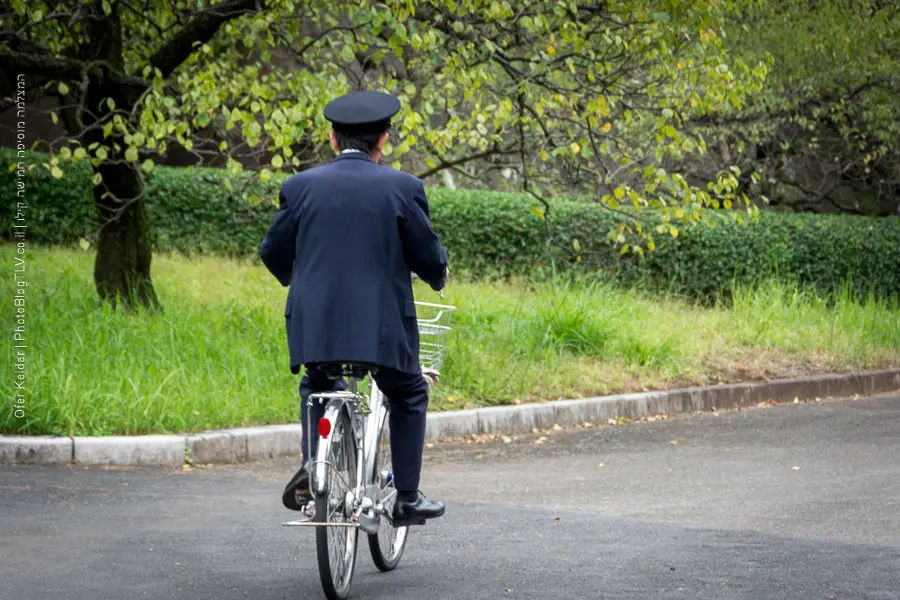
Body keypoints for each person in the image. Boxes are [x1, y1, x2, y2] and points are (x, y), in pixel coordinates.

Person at [259, 90, 449, 527]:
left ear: (331, 139)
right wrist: (437, 275)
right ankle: (406, 497)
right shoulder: (403, 187)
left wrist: (300, 278)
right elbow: (428, 254)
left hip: (316, 326)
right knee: (408, 392)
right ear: (383, 140)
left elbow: (272, 252)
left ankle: (314, 466)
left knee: (318, 384)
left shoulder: (299, 187)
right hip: (382, 331)